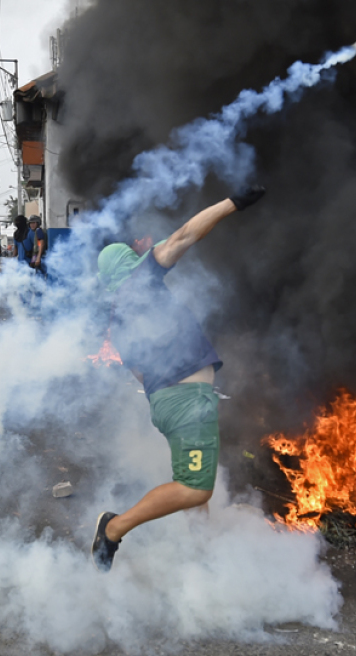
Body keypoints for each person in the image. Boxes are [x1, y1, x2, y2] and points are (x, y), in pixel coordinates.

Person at [90, 186, 266, 572]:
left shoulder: (117, 319)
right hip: (187, 403)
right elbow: (185, 234)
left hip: (168, 404)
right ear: (130, 265)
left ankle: (201, 557)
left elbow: (140, 372)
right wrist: (233, 202)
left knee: (193, 481)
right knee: (196, 487)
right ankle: (114, 529)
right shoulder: (142, 279)